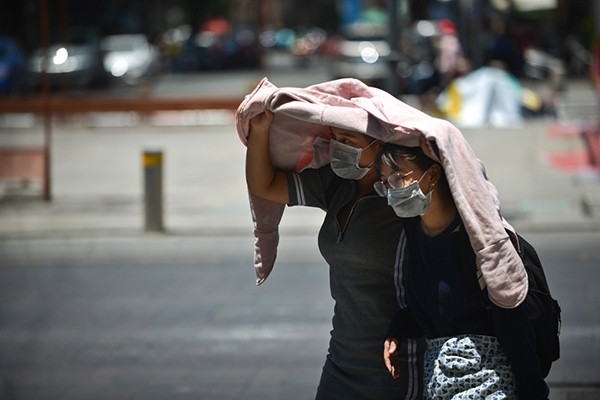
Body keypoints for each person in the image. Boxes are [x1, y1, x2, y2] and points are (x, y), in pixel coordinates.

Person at [246, 109, 424, 399]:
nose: (338, 147)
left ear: (378, 142)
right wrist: (261, 129)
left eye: (348, 139)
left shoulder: (404, 198)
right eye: (336, 138)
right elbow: (264, 185)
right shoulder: (335, 184)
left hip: (396, 359)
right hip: (341, 354)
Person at [376, 140, 549, 399]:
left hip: (489, 384)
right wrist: (398, 329)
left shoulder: (476, 239)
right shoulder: (414, 234)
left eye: (399, 177)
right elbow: (440, 308)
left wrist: (533, 391)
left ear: (433, 174)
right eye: (385, 181)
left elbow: (511, 320)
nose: (392, 190)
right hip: (440, 384)